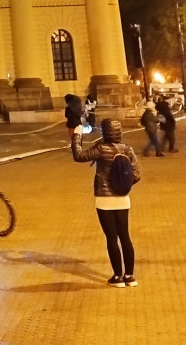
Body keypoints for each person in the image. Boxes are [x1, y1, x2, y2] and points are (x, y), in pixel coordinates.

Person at [71, 118, 142, 287]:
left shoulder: (100, 149)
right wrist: (122, 186)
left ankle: (117, 277)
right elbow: (137, 175)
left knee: (111, 237)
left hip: (104, 199)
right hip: (123, 199)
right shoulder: (127, 149)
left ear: (104, 132)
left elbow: (79, 156)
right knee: (125, 236)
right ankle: (130, 276)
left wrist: (77, 136)